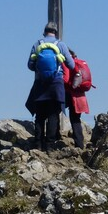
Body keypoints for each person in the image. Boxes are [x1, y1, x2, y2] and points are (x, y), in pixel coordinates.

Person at [25, 22, 75, 151]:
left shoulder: (37, 44)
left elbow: (30, 65)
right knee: (53, 114)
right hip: (56, 83)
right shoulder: (61, 45)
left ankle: (38, 144)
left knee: (40, 116)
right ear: (56, 33)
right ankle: (50, 145)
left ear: (44, 31)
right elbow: (71, 65)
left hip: (40, 84)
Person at [63, 49, 89, 149]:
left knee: (54, 112)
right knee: (76, 119)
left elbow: (65, 79)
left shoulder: (68, 63)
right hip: (80, 96)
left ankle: (54, 137)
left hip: (69, 93)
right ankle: (80, 144)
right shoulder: (80, 63)